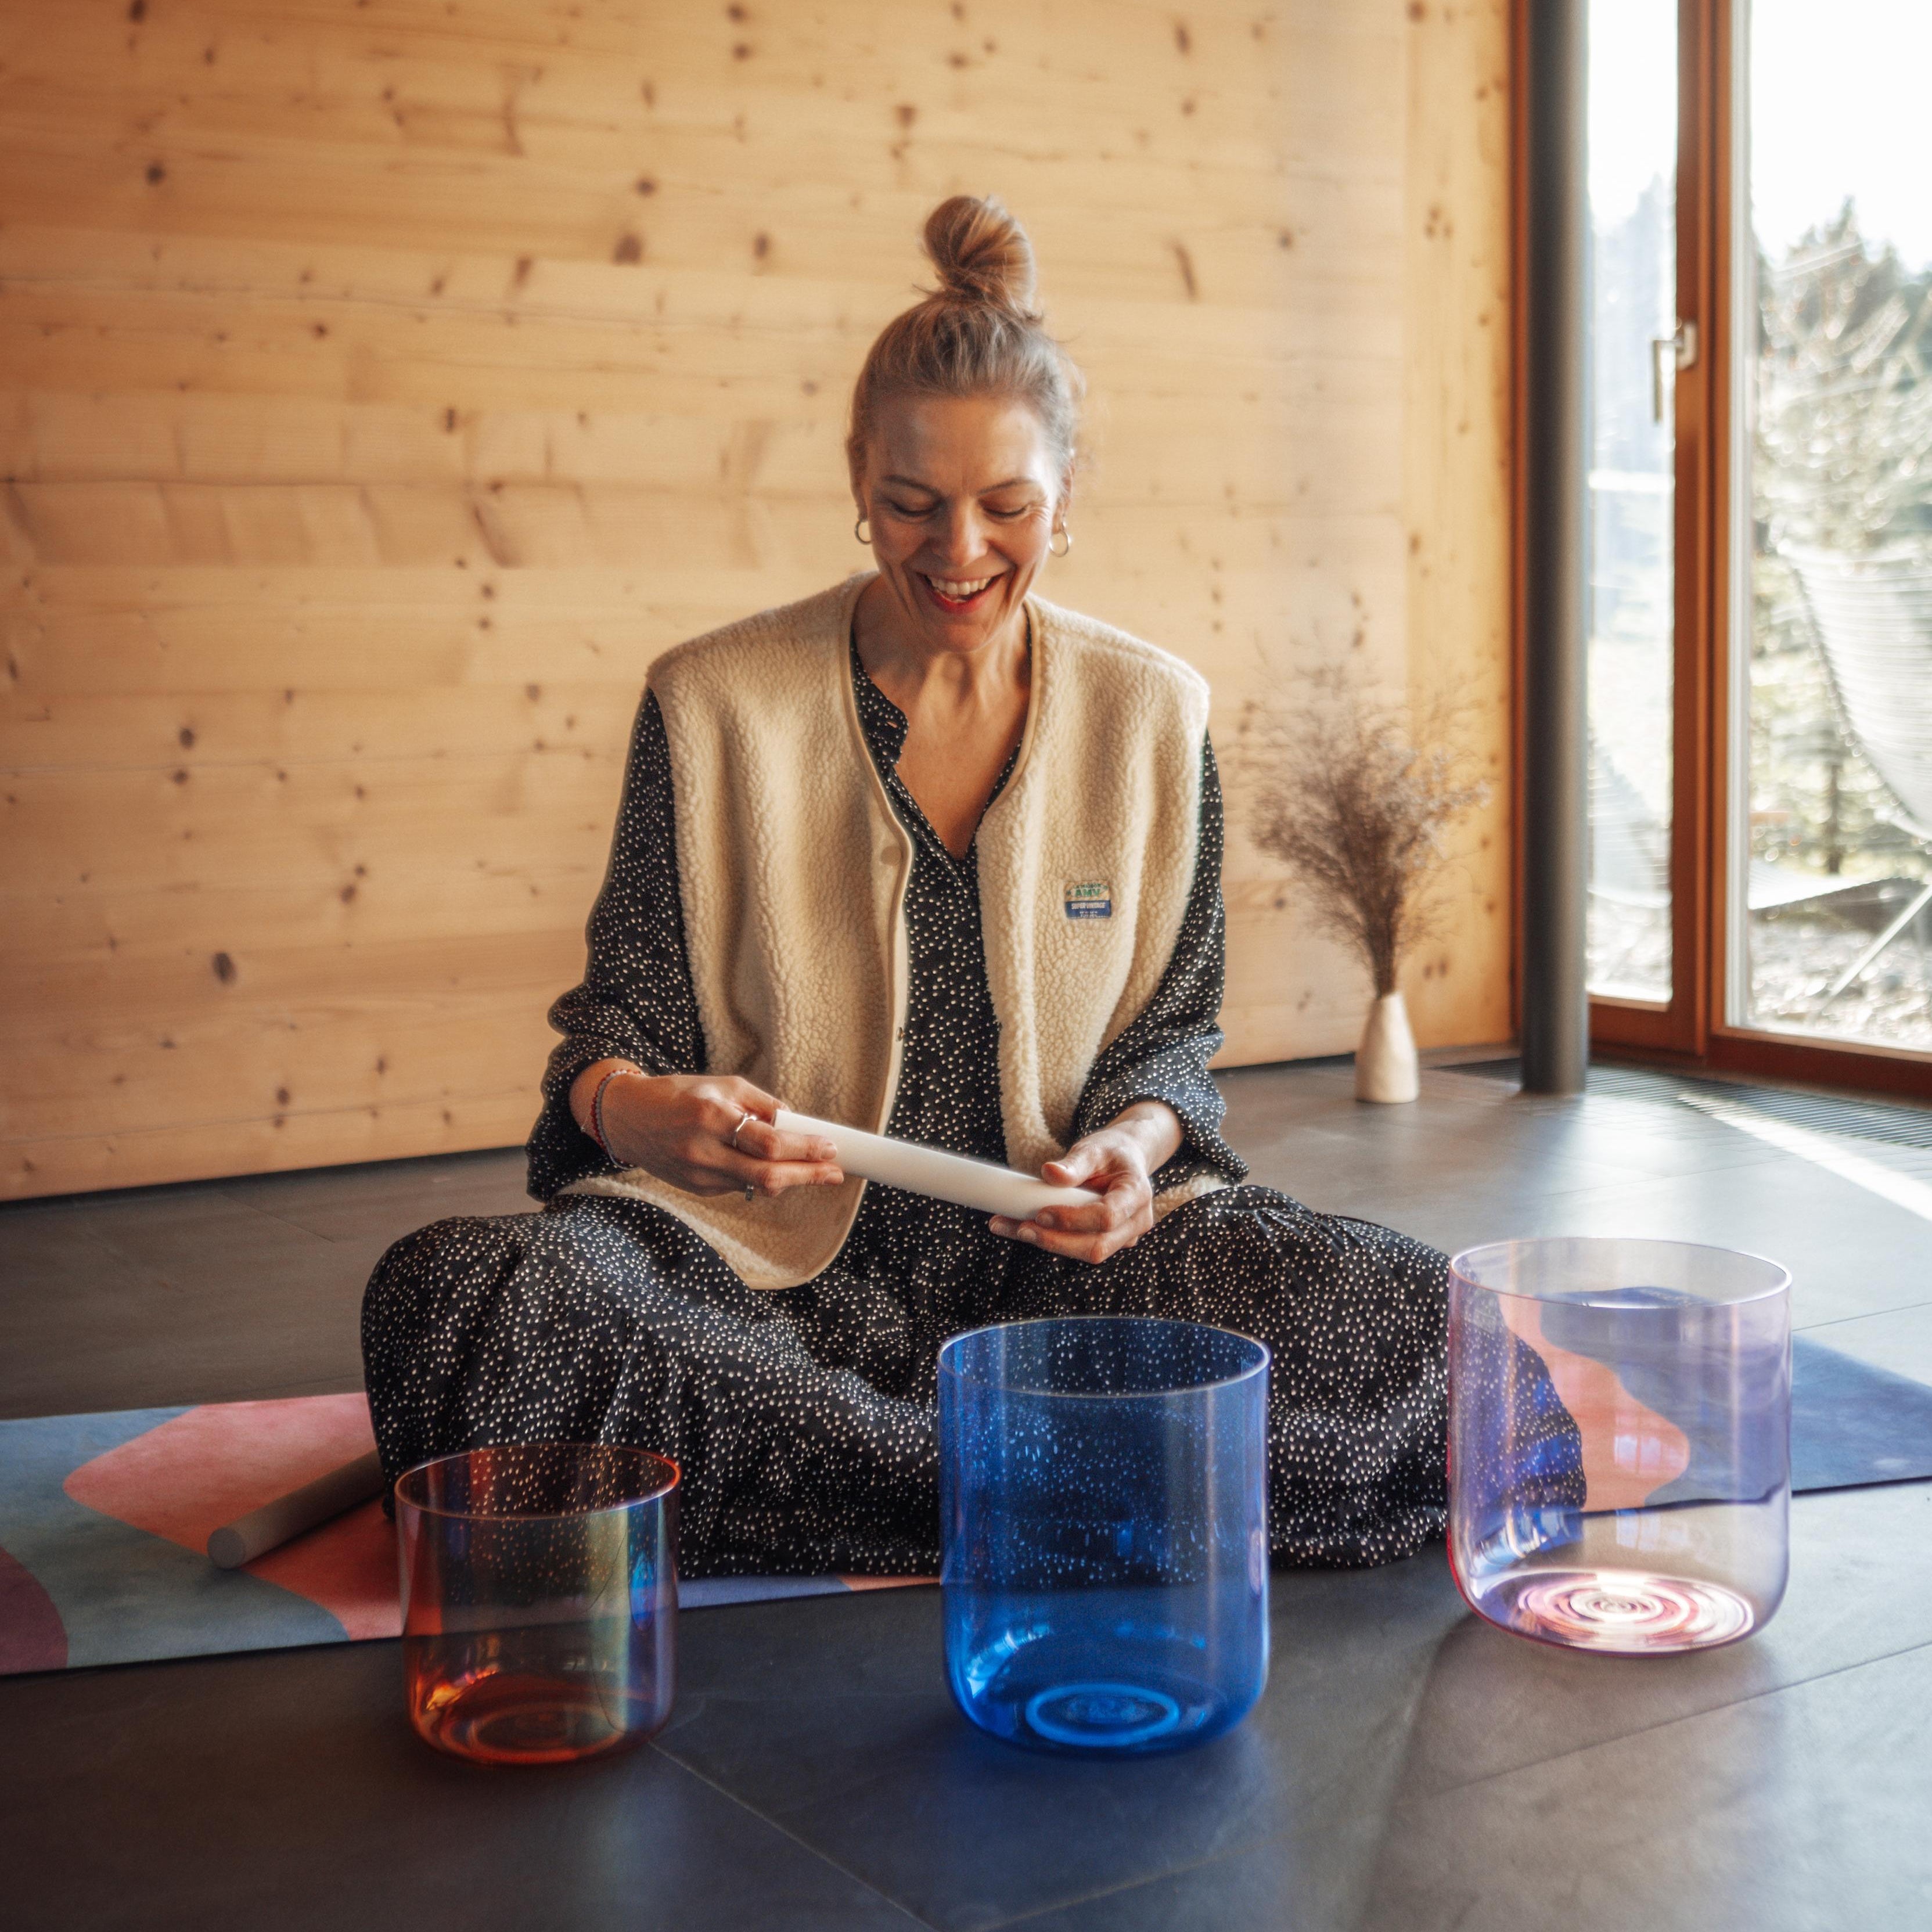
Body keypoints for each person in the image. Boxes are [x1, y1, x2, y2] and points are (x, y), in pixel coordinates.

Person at [362, 195, 1450, 1578]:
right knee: (463, 1297)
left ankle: (843, 1474)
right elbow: (607, 1042)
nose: (956, 553)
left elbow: (1172, 1043)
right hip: (754, 1272)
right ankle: (1071, 1483)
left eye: (1006, 507)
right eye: (911, 505)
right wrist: (648, 1111)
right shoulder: (709, 704)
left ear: (1065, 496)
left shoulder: (1153, 714)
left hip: (1059, 1276)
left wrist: (1130, 1155)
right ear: (856, 481)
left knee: (1413, 1322)